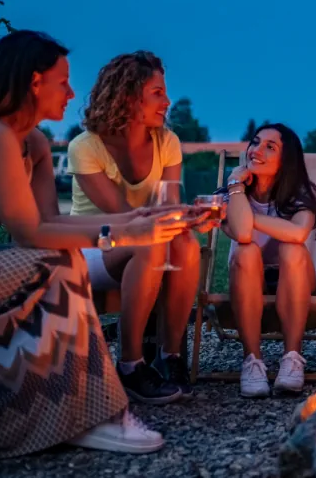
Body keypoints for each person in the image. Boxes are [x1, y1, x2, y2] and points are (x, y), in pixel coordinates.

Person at [0, 30, 187, 457]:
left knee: (61, 256)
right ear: (34, 82)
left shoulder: (33, 142)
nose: (70, 92)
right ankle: (96, 414)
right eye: (62, 81)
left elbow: (49, 220)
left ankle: (76, 411)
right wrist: (126, 232)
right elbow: (29, 233)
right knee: (57, 260)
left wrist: (138, 218)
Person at [67, 51, 216, 405]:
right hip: (91, 248)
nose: (167, 101)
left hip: (147, 242)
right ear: (128, 96)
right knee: (151, 241)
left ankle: (170, 357)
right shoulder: (85, 147)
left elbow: (166, 208)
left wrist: (192, 217)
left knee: (185, 243)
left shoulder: (167, 142)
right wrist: (177, 217)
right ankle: (130, 365)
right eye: (157, 93)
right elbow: (120, 217)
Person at [223, 123, 316, 397]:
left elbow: (298, 232)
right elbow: (243, 233)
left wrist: (244, 213)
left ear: (286, 160)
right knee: (246, 250)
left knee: (292, 248)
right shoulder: (234, 192)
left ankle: (292, 358)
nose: (257, 150)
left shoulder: (302, 194)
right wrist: (234, 185)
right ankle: (252, 362)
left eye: (270, 147)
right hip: (248, 279)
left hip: (296, 279)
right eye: (255, 143)